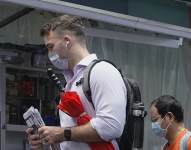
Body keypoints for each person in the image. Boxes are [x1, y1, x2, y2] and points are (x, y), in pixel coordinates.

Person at [26, 15, 126, 150]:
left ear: (67, 41)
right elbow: (73, 143)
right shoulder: (70, 83)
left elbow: (111, 126)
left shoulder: (102, 71)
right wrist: (47, 141)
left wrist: (63, 133)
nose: (49, 54)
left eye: (51, 47)